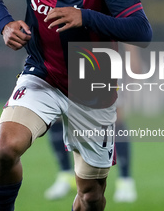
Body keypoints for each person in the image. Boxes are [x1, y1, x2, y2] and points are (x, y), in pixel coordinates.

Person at [0, 0, 152, 211]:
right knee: (5, 149)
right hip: (43, 75)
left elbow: (142, 31)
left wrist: (85, 16)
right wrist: (4, 24)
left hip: (93, 85)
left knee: (90, 195)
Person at [45, 45, 141, 202]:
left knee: (115, 118)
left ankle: (125, 181)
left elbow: (124, 20)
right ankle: (66, 174)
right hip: (64, 56)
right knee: (57, 114)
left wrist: (133, 55)